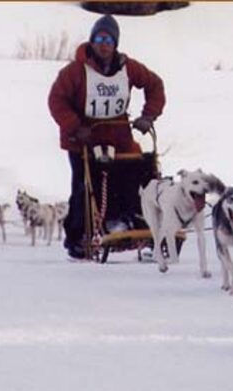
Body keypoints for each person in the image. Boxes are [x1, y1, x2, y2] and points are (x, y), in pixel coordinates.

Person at [48, 14, 165, 259]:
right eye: (100, 39)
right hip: (83, 140)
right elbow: (56, 100)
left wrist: (148, 116)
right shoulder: (75, 71)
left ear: (115, 45)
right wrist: (74, 126)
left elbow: (155, 85)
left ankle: (130, 220)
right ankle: (77, 238)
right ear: (92, 41)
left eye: (109, 40)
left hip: (119, 137)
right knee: (83, 187)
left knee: (133, 174)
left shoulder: (128, 67)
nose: (104, 45)